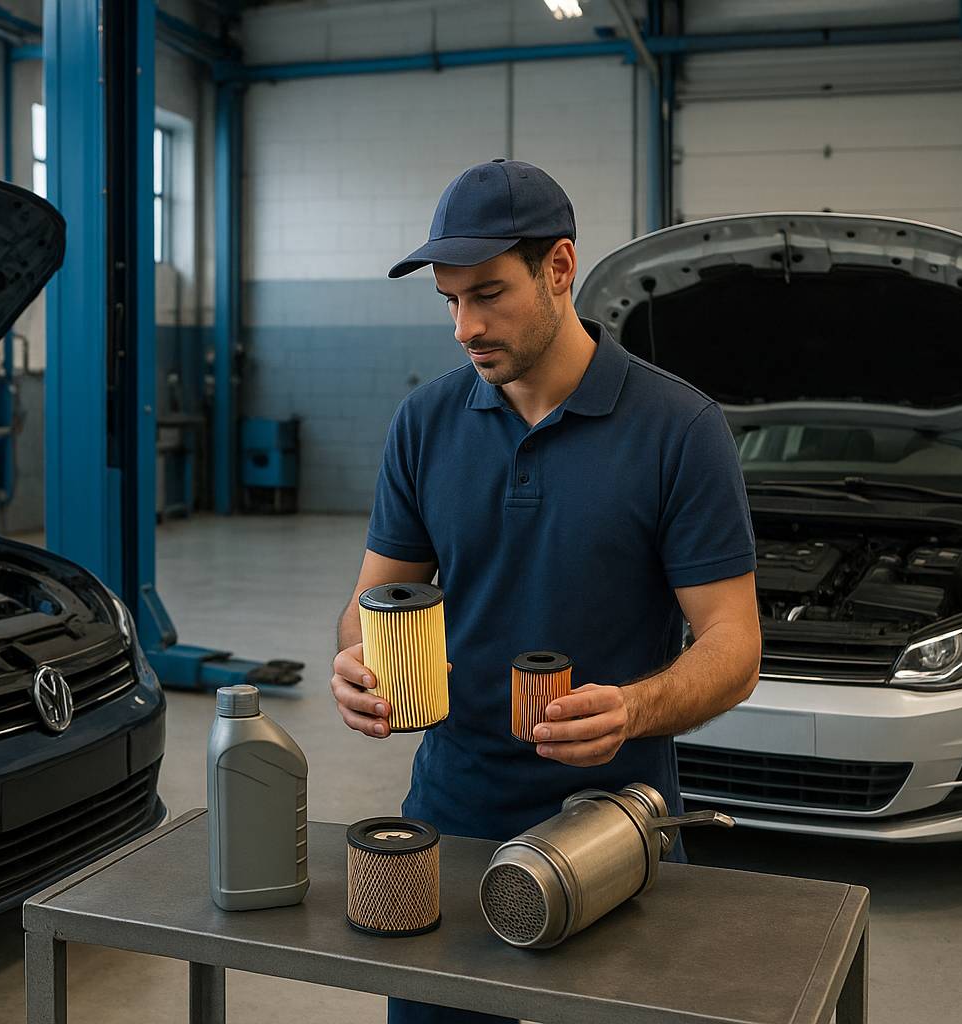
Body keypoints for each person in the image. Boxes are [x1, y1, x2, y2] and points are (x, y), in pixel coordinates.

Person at [327, 159, 763, 1024]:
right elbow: (371, 601)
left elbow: (734, 646)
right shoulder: (425, 423)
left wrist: (632, 710)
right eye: (450, 301)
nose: (464, 327)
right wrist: (355, 660)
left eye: (488, 294)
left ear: (560, 269)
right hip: (452, 816)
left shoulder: (679, 430)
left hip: (614, 822)